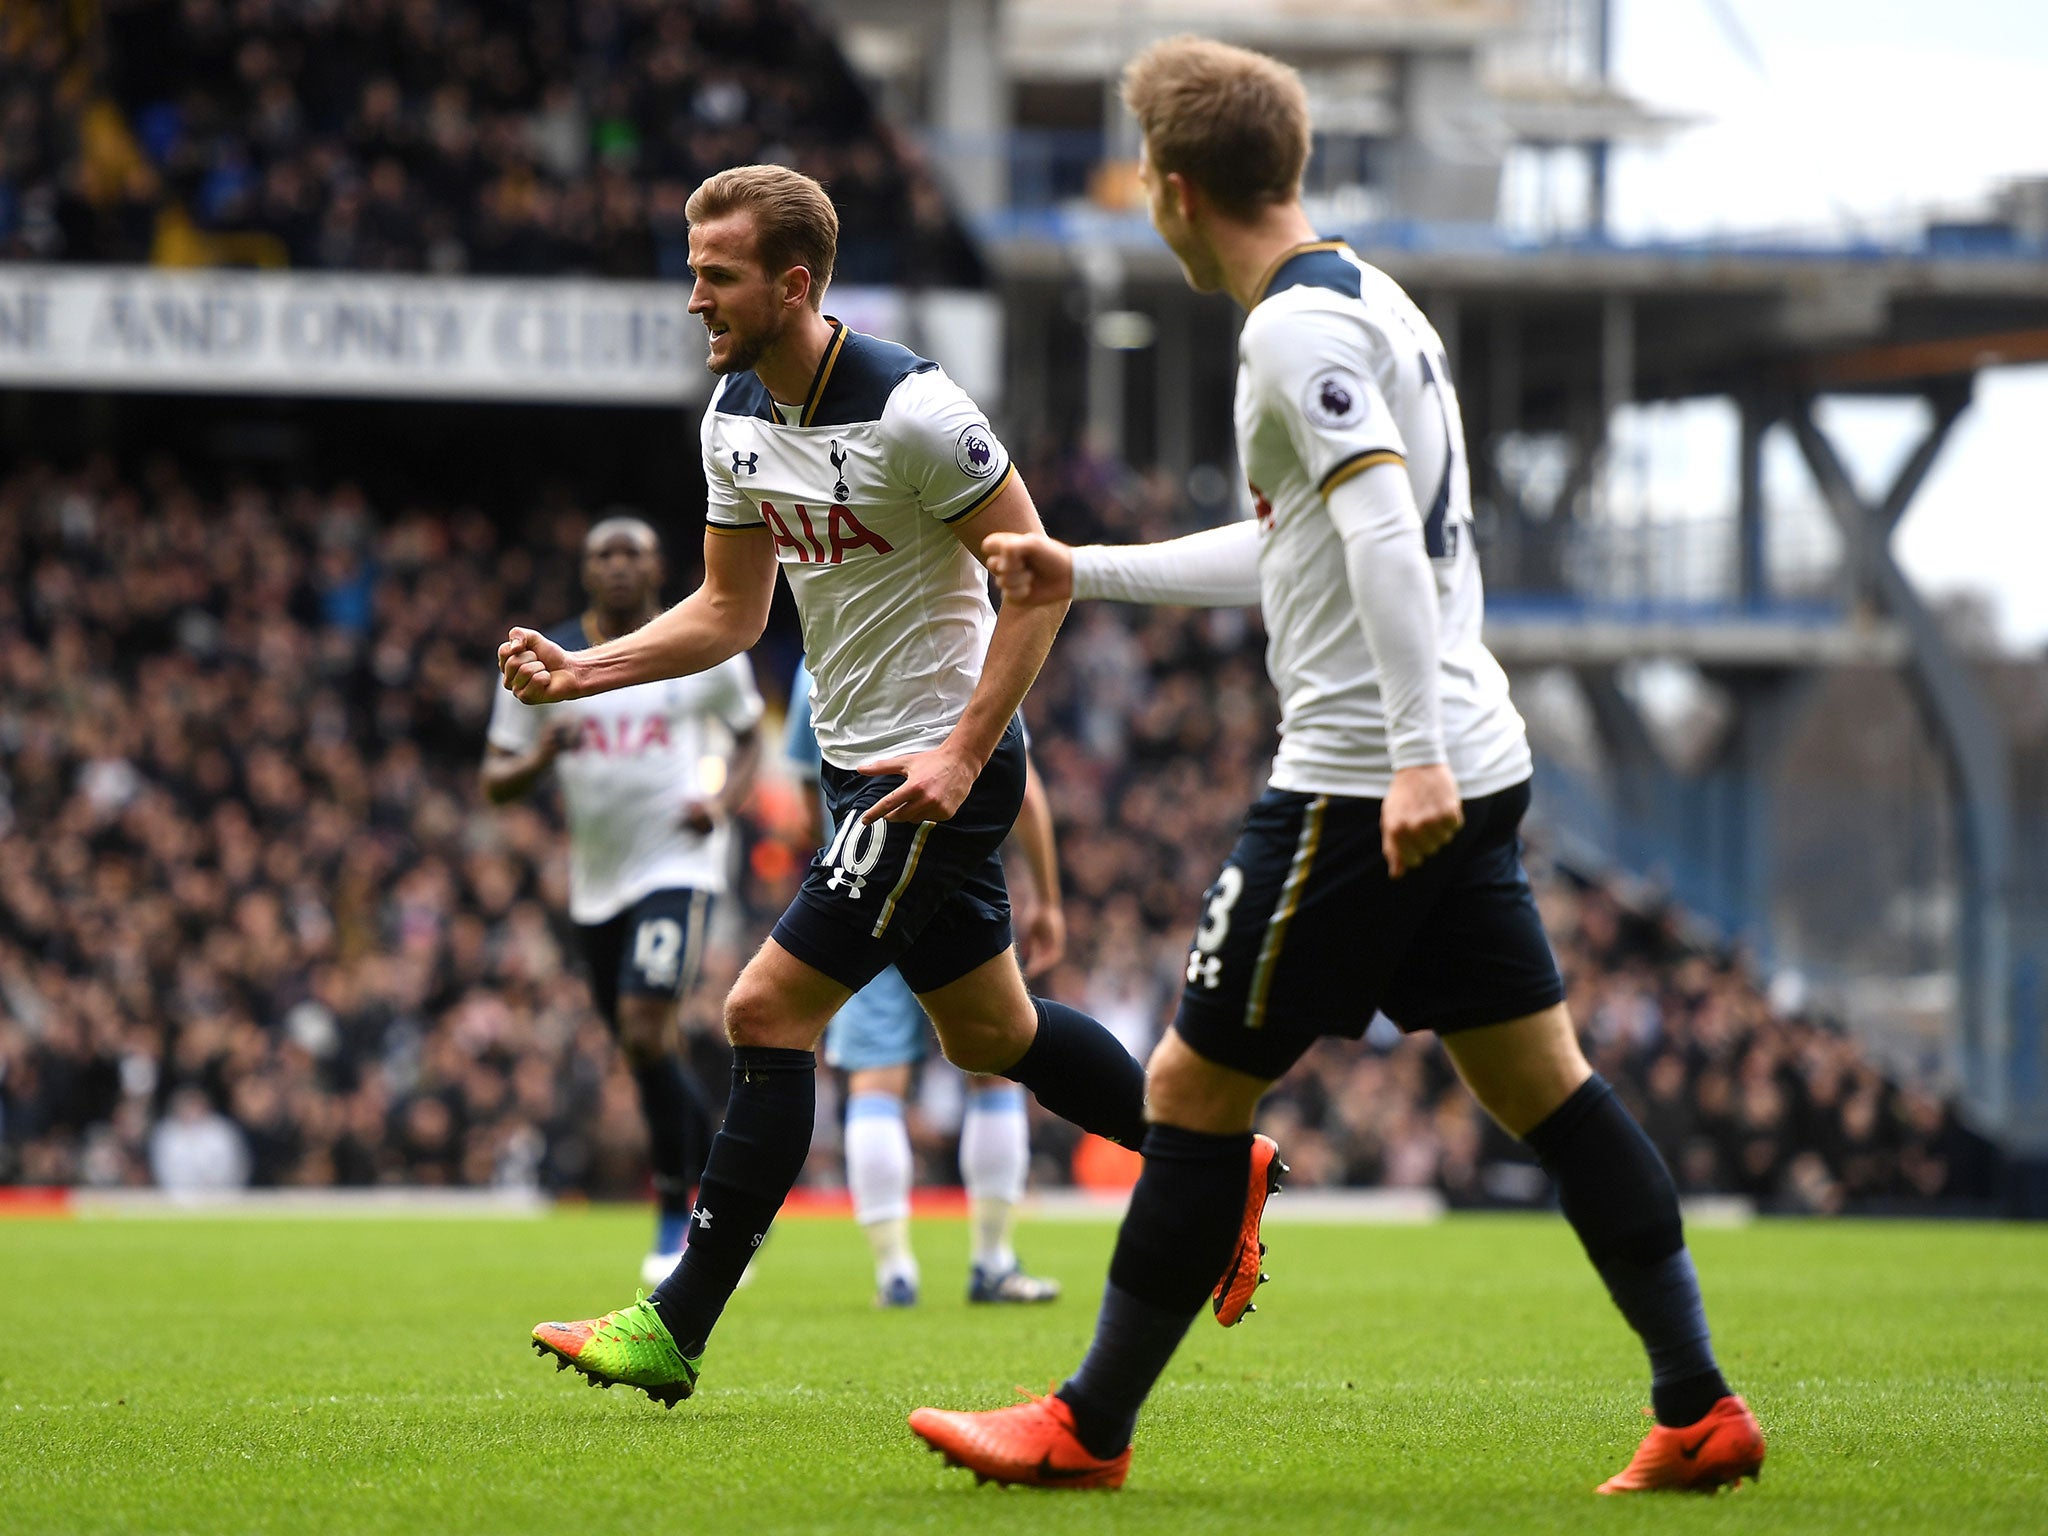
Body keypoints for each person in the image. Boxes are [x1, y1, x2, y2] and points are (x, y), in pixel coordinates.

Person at [907, 37, 1765, 1495]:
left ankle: (1085, 1428)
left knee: (1187, 1093)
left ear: (1175, 191)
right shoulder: (1374, 303)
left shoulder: (1288, 336)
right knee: (1546, 1088)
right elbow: (1307, 536)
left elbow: (1375, 534)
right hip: (1468, 757)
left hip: (1373, 775)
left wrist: (1411, 760)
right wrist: (1085, 570)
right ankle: (1698, 1405)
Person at [502, 165, 1264, 1407]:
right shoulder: (732, 419)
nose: (693, 299)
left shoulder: (917, 411)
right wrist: (586, 670)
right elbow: (730, 613)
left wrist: (962, 752)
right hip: (855, 769)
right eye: (691, 270)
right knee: (993, 1034)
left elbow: (1040, 579)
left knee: (762, 1012)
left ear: (792, 283)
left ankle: (673, 1326)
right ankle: (1218, 1165)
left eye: (717, 276)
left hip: (933, 772)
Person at [482, 515, 763, 1285]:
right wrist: (544, 752)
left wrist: (724, 804)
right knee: (644, 1050)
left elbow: (748, 737)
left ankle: (684, 1208)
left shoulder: (694, 643)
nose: (615, 565)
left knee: (645, 1028)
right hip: (596, 883)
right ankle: (717, 1198)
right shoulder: (549, 658)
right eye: (601, 553)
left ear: (656, 564)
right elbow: (494, 780)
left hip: (679, 861)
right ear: (584, 571)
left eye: (629, 552)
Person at [787, 659, 1066, 1307]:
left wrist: (837, 870)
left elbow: (809, 795)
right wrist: (1048, 896)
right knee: (994, 1063)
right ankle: (993, 1260)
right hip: (957, 880)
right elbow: (1020, 783)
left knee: (876, 1081)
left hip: (865, 883)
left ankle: (895, 1270)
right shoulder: (962, 651)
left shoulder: (817, 667)